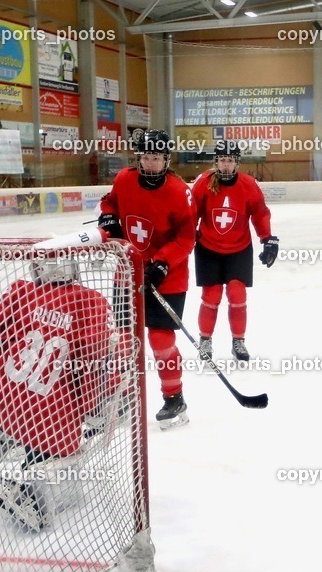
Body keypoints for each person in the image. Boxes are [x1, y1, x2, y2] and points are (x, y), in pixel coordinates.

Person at [0, 255, 112, 532]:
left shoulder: (21, 291)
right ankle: (35, 490)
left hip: (3, 396)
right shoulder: (92, 303)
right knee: (59, 457)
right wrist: (91, 406)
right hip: (51, 411)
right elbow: (92, 361)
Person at [98, 129, 196, 429]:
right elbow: (110, 202)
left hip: (167, 277)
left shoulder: (180, 192)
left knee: (160, 339)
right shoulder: (124, 179)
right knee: (124, 341)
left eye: (156, 158)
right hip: (127, 273)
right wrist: (108, 217)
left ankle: (174, 397)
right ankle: (123, 396)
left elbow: (187, 237)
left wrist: (162, 264)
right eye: (145, 157)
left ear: (166, 159)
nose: (150, 163)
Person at [190, 140, 277, 362]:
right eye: (221, 160)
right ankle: (205, 340)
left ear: (237, 163)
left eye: (229, 161)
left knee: (238, 295)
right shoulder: (203, 182)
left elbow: (259, 213)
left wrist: (267, 238)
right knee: (211, 295)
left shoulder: (249, 184)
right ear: (215, 162)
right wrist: (185, 239)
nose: (225, 165)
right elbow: (191, 214)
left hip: (239, 248)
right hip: (208, 248)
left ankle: (238, 341)